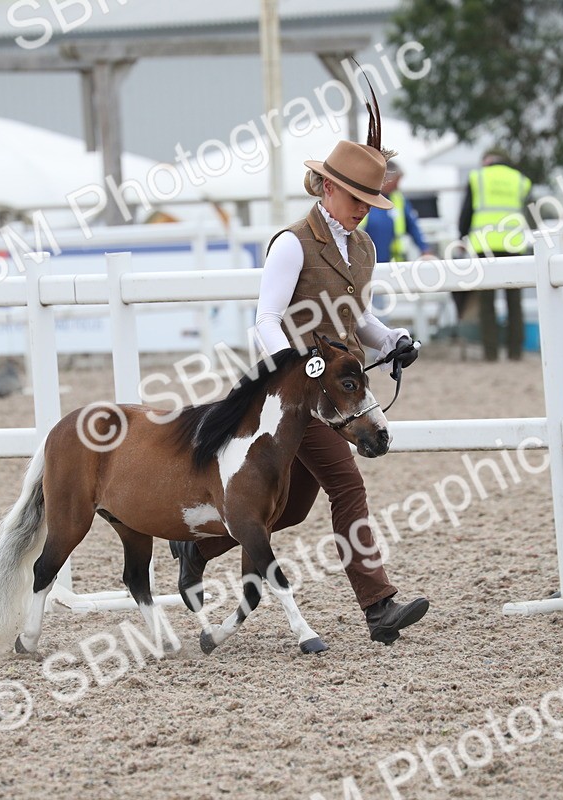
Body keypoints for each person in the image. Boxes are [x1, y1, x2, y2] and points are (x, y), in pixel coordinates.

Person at [170, 121, 430, 645]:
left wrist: (393, 340)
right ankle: (378, 606)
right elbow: (264, 319)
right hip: (298, 397)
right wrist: (297, 370)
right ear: (327, 187)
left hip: (340, 391)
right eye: (356, 197)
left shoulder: (362, 249)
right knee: (348, 485)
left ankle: (197, 548)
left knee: (289, 508)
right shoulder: (293, 243)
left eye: (369, 201)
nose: (363, 208)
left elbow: (358, 320)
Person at [457, 148, 532, 361]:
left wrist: (462, 237)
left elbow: (466, 212)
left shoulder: (478, 177)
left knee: (487, 303)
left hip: (485, 245)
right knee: (514, 301)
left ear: (487, 160)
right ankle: (516, 352)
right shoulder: (520, 180)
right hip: (514, 244)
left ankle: (490, 353)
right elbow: (528, 212)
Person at [359, 161, 435, 263]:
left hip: (395, 263)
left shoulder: (399, 199)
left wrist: (424, 248)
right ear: (385, 179)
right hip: (368, 263)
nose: (397, 186)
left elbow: (412, 226)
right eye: (396, 181)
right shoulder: (365, 199)